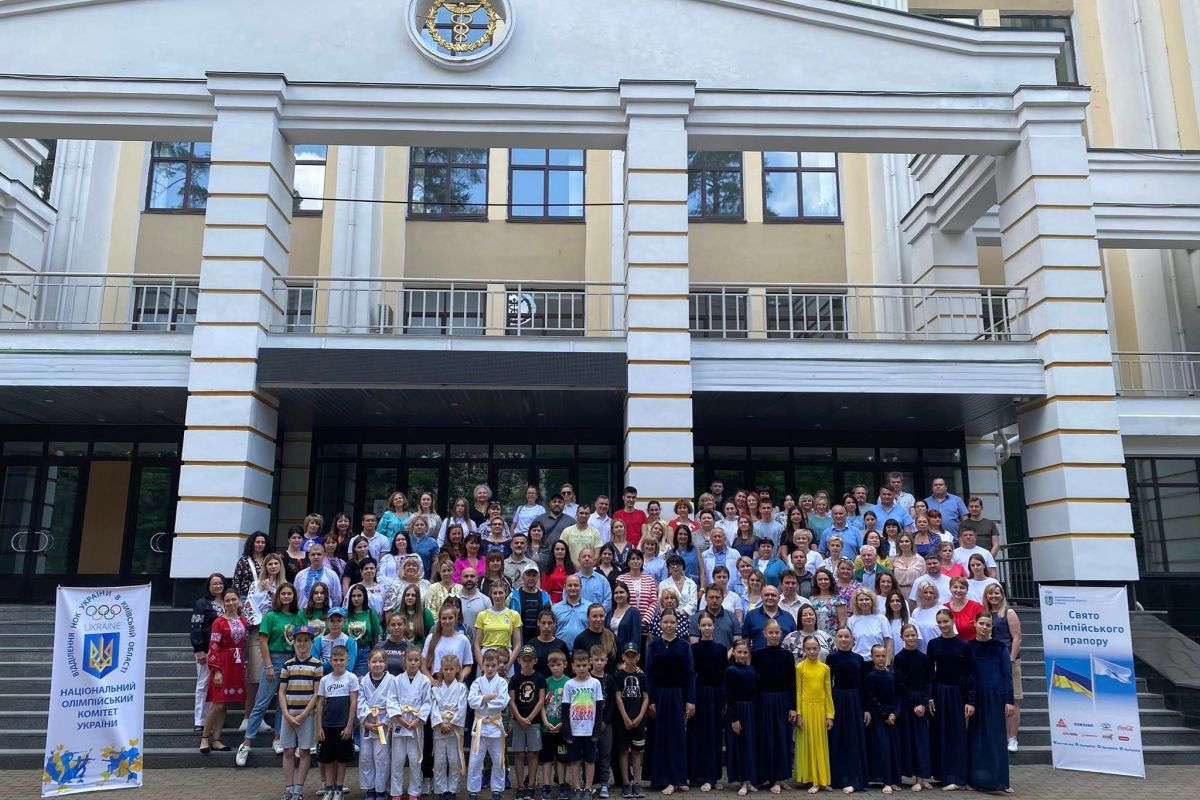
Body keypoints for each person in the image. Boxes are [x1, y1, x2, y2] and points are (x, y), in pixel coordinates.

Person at [237, 580, 302, 765]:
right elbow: (263, 642)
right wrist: (268, 666)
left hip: (291, 661)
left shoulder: (298, 616)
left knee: (284, 705)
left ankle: (278, 738)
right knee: (261, 703)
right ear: (278, 596)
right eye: (283, 594)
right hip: (273, 660)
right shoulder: (271, 616)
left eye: (290, 594)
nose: (286, 597)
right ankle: (247, 743)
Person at [645, 611, 693, 794]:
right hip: (659, 696)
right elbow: (649, 674)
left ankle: (678, 778)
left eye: (672, 622)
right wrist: (651, 700)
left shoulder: (684, 646)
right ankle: (662, 778)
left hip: (677, 696)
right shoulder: (654, 646)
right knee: (660, 736)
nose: (669, 625)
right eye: (666, 622)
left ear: (677, 624)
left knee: (677, 737)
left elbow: (690, 673)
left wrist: (691, 700)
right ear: (660, 623)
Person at [927, 609, 972, 791]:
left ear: (953, 621)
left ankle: (957, 775)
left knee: (956, 734)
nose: (943, 625)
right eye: (939, 622)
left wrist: (969, 699)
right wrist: (929, 696)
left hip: (956, 693)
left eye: (945, 621)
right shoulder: (933, 644)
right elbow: (929, 672)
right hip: (938, 692)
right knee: (939, 732)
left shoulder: (963, 646)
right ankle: (942, 774)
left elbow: (969, 674)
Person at [967, 614, 1013, 793]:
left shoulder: (1000, 648)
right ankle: (975, 780)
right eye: (981, 624)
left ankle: (1001, 781)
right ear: (975, 624)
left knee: (996, 738)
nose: (985, 627)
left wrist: (1009, 701)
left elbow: (1007, 675)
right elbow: (967, 674)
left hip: (995, 696)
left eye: (988, 624)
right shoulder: (969, 647)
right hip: (976, 697)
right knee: (977, 738)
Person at [278, 625, 323, 800]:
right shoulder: (287, 665)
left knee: (304, 752)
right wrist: (287, 714)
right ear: (294, 643)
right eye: (298, 640)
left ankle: (299, 789)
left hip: (307, 716)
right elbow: (282, 691)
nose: (302, 644)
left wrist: (304, 714)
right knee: (288, 751)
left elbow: (316, 693)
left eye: (306, 640)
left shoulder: (317, 665)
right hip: (288, 715)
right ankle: (288, 787)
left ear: (312, 642)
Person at [201, 587, 248, 753]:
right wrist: (217, 670)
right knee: (218, 703)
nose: (230, 603)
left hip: (237, 663)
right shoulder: (219, 622)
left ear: (238, 601)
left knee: (225, 704)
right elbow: (213, 646)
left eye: (233, 599)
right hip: (223, 663)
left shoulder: (243, 620)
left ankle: (217, 739)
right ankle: (205, 738)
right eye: (227, 600)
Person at [752, 618, 794, 795]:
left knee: (782, 738)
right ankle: (767, 776)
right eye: (771, 632)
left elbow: (792, 682)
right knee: (766, 737)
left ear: (781, 634)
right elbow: (754, 680)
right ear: (765, 634)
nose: (775, 635)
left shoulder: (787, 655)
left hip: (782, 700)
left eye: (777, 632)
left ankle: (780, 777)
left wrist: (792, 706)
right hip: (764, 700)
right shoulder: (758, 655)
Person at [827, 628, 868, 795]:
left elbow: (864, 685)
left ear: (852, 639)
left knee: (853, 739)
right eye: (840, 637)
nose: (844, 640)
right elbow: (828, 683)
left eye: (847, 637)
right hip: (837, 699)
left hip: (854, 700)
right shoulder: (831, 658)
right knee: (837, 737)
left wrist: (866, 708)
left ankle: (854, 779)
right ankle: (837, 778)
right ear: (836, 639)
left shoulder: (859, 659)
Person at [315, 644, 359, 800]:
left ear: (347, 661)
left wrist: (349, 726)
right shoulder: (325, 680)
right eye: (335, 660)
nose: (338, 663)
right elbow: (320, 703)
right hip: (327, 725)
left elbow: (353, 703)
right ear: (330, 661)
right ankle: (328, 788)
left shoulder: (351, 678)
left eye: (341, 660)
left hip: (343, 726)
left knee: (341, 759)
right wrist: (319, 727)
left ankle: (339, 788)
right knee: (327, 758)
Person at [983, 583, 1023, 753]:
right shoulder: (984, 614)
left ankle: (1012, 738)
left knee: (1012, 700)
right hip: (990, 662)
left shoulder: (1009, 612)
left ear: (1002, 594)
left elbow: (1017, 638)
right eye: (990, 593)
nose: (994, 596)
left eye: (997, 593)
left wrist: (1011, 658)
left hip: (1008, 660)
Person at [689, 613, 727, 792]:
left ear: (714, 627)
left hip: (716, 694)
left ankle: (713, 776)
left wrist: (723, 697)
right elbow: (691, 673)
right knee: (700, 734)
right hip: (699, 693)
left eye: (709, 625)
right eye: (703, 625)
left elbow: (724, 674)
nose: (706, 628)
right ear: (698, 627)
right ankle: (700, 775)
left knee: (714, 736)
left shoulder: (720, 649)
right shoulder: (694, 649)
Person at [562, 649, 606, 800]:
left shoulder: (595, 683)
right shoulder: (569, 684)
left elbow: (599, 708)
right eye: (578, 665)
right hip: (574, 730)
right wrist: (566, 731)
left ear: (589, 664)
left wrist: (596, 730)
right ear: (573, 666)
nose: (581, 668)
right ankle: (577, 788)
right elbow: (565, 709)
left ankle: (588, 788)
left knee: (590, 760)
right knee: (574, 760)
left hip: (589, 730)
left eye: (584, 665)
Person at [893, 624, 933, 791]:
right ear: (902, 638)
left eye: (913, 635)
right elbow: (899, 682)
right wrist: (911, 702)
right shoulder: (899, 658)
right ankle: (907, 776)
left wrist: (923, 703)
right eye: (907, 636)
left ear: (917, 636)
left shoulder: (924, 658)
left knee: (921, 740)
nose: (910, 638)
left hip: (920, 703)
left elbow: (928, 682)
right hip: (905, 702)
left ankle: (921, 777)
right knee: (907, 739)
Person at [467, 650, 510, 800]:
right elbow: (472, 702)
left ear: (498, 666)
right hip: (479, 726)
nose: (490, 668)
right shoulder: (477, 682)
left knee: (498, 759)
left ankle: (497, 790)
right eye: (487, 665)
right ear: (482, 666)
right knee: (475, 760)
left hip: (495, 725)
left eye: (493, 665)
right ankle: (473, 791)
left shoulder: (502, 682)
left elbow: (502, 703)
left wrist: (482, 702)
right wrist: (486, 697)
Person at [794, 635, 834, 794]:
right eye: (808, 649)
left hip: (820, 709)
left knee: (820, 745)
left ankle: (822, 780)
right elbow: (797, 691)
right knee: (808, 744)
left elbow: (828, 692)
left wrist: (830, 715)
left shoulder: (825, 668)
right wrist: (799, 714)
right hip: (805, 708)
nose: (812, 651)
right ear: (803, 650)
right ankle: (813, 780)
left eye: (814, 648)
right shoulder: (800, 667)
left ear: (820, 649)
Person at [356, 648, 398, 800]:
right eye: (374, 661)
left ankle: (381, 789)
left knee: (382, 757)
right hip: (368, 723)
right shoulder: (363, 681)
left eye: (381, 661)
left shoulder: (392, 680)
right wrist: (366, 722)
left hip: (383, 725)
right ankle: (370, 789)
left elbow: (393, 701)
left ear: (386, 663)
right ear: (368, 664)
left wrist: (386, 722)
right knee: (366, 756)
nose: (377, 664)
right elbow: (360, 701)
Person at [511, 645, 549, 800]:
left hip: (534, 722)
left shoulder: (539, 678)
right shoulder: (514, 679)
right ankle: (520, 786)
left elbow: (541, 701)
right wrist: (520, 718)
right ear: (519, 660)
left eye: (530, 659)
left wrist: (530, 718)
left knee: (533, 754)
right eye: (524, 659)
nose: (527, 662)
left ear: (535, 660)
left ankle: (531, 785)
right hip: (517, 721)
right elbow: (511, 701)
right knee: (519, 754)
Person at [863, 644, 902, 795]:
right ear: (872, 657)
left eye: (883, 656)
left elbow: (898, 695)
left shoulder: (892, 674)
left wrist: (895, 713)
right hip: (880, 717)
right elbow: (872, 698)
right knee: (883, 748)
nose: (880, 659)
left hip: (893, 716)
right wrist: (885, 715)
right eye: (877, 656)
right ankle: (885, 781)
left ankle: (895, 780)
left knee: (894, 748)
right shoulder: (871, 676)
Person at [431, 653, 469, 800]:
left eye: (451, 669)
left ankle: (452, 789)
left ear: (457, 669)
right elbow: (433, 708)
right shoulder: (435, 688)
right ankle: (440, 790)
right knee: (439, 760)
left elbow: (462, 708)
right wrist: (440, 724)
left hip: (454, 728)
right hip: (440, 726)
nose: (448, 672)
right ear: (441, 669)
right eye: (445, 669)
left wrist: (452, 724)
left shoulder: (461, 688)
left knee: (454, 759)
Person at [191, 573, 225, 732]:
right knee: (203, 683)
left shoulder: (229, 601)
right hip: (206, 649)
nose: (218, 586)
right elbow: (195, 627)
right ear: (209, 586)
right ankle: (200, 719)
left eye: (220, 583)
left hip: (224, 651)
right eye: (214, 584)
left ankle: (214, 719)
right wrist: (198, 649)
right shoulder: (202, 603)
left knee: (218, 685)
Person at [723, 639, 757, 796]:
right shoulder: (730, 671)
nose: (742, 655)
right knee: (740, 746)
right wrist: (734, 718)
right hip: (737, 711)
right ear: (734, 653)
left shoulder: (751, 670)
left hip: (750, 710)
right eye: (739, 652)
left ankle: (749, 780)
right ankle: (742, 780)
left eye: (745, 652)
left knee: (750, 745)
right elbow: (729, 697)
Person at [541, 651, 570, 800]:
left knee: (562, 757)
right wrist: (546, 722)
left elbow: (572, 706)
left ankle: (562, 783)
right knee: (546, 758)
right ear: (548, 666)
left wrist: (562, 724)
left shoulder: (569, 683)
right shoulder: (545, 682)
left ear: (565, 664)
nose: (556, 668)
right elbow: (541, 705)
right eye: (552, 665)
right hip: (547, 728)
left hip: (562, 728)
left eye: (558, 665)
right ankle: (546, 785)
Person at [476, 580, 523, 672]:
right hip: (486, 657)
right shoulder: (482, 615)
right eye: (495, 593)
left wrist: (508, 665)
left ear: (506, 594)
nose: (498, 596)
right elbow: (477, 645)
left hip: (505, 658)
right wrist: (482, 665)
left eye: (501, 593)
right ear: (491, 594)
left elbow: (517, 644)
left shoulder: (514, 615)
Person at [423, 603, 475, 683]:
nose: (447, 621)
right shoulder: (431, 638)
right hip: (436, 682)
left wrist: (462, 675)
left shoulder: (463, 639)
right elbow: (423, 664)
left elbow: (468, 665)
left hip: (456, 682)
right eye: (444, 618)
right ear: (439, 620)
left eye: (450, 618)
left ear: (456, 618)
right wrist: (431, 679)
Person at [345, 583, 382, 676]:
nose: (356, 598)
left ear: (364, 597)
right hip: (346, 652)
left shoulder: (371, 613)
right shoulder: (345, 614)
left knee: (361, 682)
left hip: (364, 652)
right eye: (353, 596)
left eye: (359, 595)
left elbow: (376, 636)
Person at [846, 588, 891, 662]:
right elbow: (849, 644)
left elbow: (888, 642)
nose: (864, 602)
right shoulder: (851, 620)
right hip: (857, 661)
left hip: (877, 662)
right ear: (856, 602)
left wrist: (887, 662)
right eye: (861, 600)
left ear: (872, 601)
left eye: (867, 599)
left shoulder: (881, 619)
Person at [296, 543, 344, 609]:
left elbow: (337, 598)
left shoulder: (332, 575)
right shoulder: (300, 575)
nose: (316, 557)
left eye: (319, 554)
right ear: (309, 556)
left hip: (325, 616)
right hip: (304, 615)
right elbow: (296, 597)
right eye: (313, 554)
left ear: (324, 555)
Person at [574, 603, 619, 674]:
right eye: (594, 616)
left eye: (601, 616)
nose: (598, 619)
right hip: (588, 682)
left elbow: (619, 662)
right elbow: (577, 664)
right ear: (588, 618)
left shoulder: (612, 637)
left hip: (610, 681)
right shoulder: (580, 639)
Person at [528, 607, 571, 678]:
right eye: (543, 623)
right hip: (536, 684)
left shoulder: (561, 644)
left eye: (549, 623)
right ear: (538, 623)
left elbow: (567, 669)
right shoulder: (531, 644)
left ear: (554, 624)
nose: (546, 626)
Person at [607, 582, 643, 657]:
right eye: (616, 593)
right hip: (610, 655)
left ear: (627, 594)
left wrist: (630, 656)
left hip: (627, 656)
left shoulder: (633, 612)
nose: (619, 595)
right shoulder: (609, 613)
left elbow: (635, 638)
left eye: (621, 592)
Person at [554, 575, 591, 648]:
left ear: (581, 587)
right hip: (561, 652)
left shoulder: (589, 607)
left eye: (576, 585)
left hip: (583, 651)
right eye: (570, 585)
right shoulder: (555, 608)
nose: (573, 588)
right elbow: (552, 632)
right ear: (564, 587)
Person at [944, 576, 984, 642]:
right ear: (950, 589)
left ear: (967, 590)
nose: (958, 590)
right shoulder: (944, 608)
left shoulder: (976, 607)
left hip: (973, 647)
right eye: (955, 587)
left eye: (962, 588)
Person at [809, 567, 845, 636]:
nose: (823, 582)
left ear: (830, 581)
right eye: (820, 579)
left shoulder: (838, 600)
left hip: (833, 637)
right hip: (816, 637)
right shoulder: (811, 600)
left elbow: (842, 624)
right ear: (816, 582)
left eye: (826, 579)